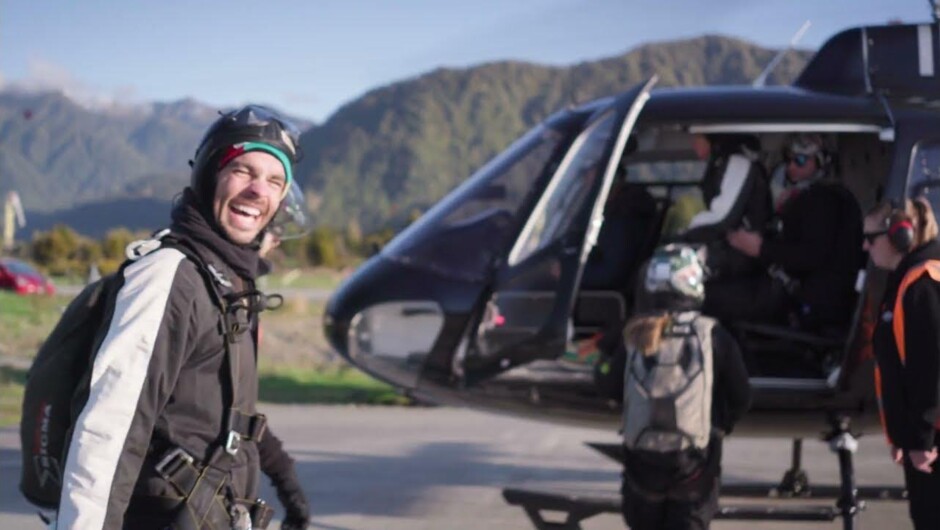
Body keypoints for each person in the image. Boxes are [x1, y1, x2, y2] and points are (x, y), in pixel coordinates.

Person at [55, 105, 305, 530]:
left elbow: (224, 415)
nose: (258, 191)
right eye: (243, 171)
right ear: (210, 175)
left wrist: (285, 478)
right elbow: (109, 429)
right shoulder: (169, 277)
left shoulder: (227, 282)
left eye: (274, 180)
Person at [620, 244, 752, 530]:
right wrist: (720, 424)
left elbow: (605, 382)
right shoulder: (712, 333)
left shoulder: (633, 333)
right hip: (693, 471)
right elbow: (741, 395)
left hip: (641, 471)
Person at [704, 134, 864, 332]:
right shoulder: (810, 198)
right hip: (791, 293)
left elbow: (810, 256)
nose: (791, 167)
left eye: (801, 160)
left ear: (822, 162)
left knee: (707, 297)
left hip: (802, 302)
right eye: (789, 160)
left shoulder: (824, 200)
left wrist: (760, 248)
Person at [864, 197, 940, 529]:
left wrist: (921, 439)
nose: (865, 247)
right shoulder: (907, 280)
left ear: (899, 238)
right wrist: (901, 436)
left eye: (870, 238)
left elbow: (931, 369)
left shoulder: (922, 286)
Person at [678, 134, 772, 279]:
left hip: (738, 257)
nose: (693, 144)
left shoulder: (737, 161)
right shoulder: (721, 162)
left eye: (696, 136)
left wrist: (686, 235)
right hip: (729, 252)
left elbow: (722, 216)